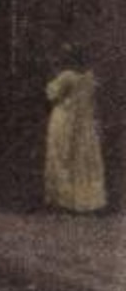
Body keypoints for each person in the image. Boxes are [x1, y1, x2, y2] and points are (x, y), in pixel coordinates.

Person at [44, 45, 107, 213]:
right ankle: (85, 201)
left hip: (64, 121)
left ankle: (63, 201)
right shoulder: (90, 77)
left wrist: (52, 76)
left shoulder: (66, 76)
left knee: (62, 157)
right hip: (84, 124)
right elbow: (93, 103)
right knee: (82, 161)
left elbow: (51, 94)